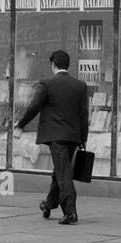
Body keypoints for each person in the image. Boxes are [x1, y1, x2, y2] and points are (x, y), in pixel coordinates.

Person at [15, 50, 88, 226]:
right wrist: (83, 138)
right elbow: (84, 115)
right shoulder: (80, 85)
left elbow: (34, 107)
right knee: (60, 171)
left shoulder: (46, 84)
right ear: (67, 64)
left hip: (56, 136)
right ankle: (49, 204)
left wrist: (21, 124)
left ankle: (70, 212)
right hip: (73, 136)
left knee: (63, 174)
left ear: (53, 64)